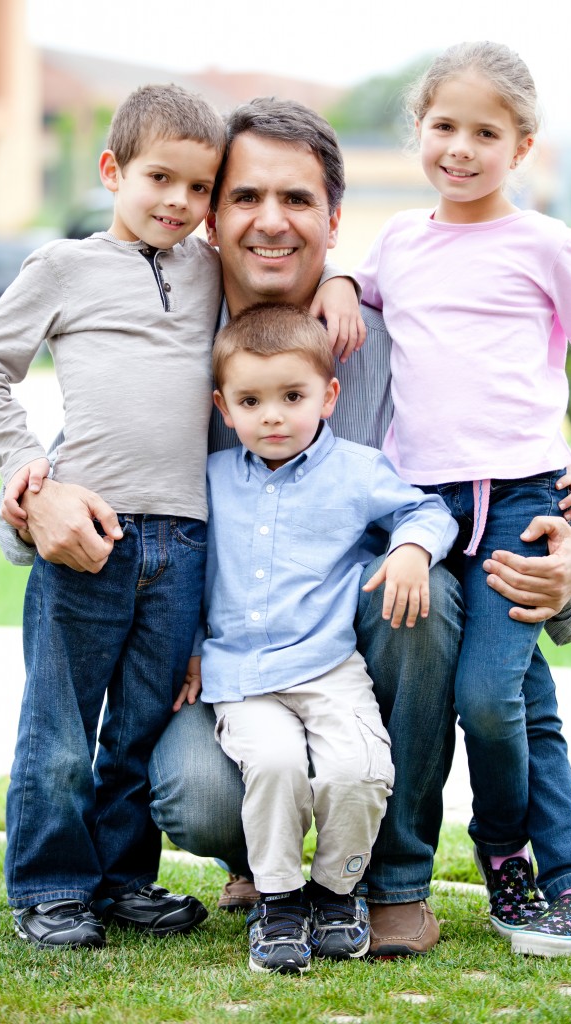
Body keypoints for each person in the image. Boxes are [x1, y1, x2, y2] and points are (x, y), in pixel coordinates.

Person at [0, 97, 571, 959]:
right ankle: (260, 863)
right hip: (231, 663)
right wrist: (35, 500)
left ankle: (394, 878)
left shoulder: (396, 345)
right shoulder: (175, 337)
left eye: (297, 200)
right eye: (245, 197)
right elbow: (69, 468)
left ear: (333, 219)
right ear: (211, 216)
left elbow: (514, 468)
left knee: (421, 584)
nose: (270, 221)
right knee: (196, 792)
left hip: (362, 654)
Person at [0, 84, 358, 951]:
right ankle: (51, 887)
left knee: (137, 729)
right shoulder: (62, 268)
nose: (178, 202)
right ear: (112, 171)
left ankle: (121, 881)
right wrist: (27, 471)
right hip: (90, 536)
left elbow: (294, 267)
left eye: (198, 188)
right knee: (60, 728)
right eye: (158, 179)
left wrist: (348, 280)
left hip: (185, 541)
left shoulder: (210, 268)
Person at [354, 41, 571, 956]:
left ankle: (500, 848)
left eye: (487, 132)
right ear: (418, 131)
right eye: (444, 126)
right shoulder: (399, 240)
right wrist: (332, 280)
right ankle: (567, 879)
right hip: (422, 502)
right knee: (518, 692)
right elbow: (360, 298)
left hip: (522, 496)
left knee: (489, 696)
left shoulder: (547, 245)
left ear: (520, 147)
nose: (461, 147)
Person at [190, 302, 457, 973]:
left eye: (292, 396)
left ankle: (336, 894)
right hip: (243, 677)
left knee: (358, 771)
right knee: (275, 767)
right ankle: (277, 902)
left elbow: (426, 509)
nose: (272, 416)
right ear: (224, 408)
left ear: (328, 395)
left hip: (330, 668)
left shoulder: (359, 471)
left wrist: (412, 551)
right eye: (251, 401)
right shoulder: (212, 480)